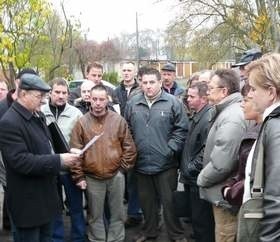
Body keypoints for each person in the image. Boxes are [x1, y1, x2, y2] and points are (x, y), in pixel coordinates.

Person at [0, 73, 79, 242]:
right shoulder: (9, 122)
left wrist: (66, 152)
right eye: (39, 96)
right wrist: (59, 160)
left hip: (45, 200)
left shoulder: (38, 115)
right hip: (27, 204)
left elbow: (46, 148)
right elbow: (22, 162)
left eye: (44, 96)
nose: (43, 100)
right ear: (23, 94)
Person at [125, 67, 189, 242]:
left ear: (160, 83)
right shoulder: (133, 103)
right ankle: (149, 232)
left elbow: (182, 129)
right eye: (144, 82)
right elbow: (127, 130)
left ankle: (176, 234)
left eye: (152, 82)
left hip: (166, 164)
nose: (148, 86)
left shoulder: (173, 103)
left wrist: (170, 149)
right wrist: (133, 151)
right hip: (141, 164)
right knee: (147, 204)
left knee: (170, 203)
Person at [70, 84, 137, 242]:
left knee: (118, 213)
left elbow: (129, 148)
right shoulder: (81, 123)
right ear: (90, 100)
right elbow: (75, 152)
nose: (98, 103)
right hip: (92, 177)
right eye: (95, 99)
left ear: (107, 100)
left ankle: (116, 239)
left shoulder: (118, 120)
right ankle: (97, 239)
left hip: (116, 175)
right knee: (95, 215)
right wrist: (79, 177)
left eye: (101, 99)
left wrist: (122, 169)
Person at [197, 69, 247, 242]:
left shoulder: (231, 117)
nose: (207, 91)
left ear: (224, 91)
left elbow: (223, 163)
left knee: (225, 236)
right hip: (224, 192)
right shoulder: (226, 111)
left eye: (211, 87)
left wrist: (202, 179)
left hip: (225, 195)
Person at [41, 78, 85, 242]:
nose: (60, 96)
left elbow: (82, 139)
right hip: (50, 167)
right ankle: (56, 237)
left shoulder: (76, 113)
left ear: (68, 94)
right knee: (54, 207)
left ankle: (79, 237)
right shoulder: (40, 111)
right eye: (57, 92)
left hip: (70, 168)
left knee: (76, 207)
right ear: (50, 93)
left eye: (64, 93)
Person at [242, 53, 280, 241]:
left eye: (253, 88)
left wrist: (268, 239)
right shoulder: (271, 122)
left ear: (271, 92)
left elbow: (277, 198)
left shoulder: (276, 126)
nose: (249, 94)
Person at [0, 68, 38, 240]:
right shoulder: (2, 108)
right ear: (17, 83)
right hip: (8, 166)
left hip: (33, 168)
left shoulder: (36, 108)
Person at [180, 81, 215, 242]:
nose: (188, 99)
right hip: (192, 177)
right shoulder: (197, 115)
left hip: (197, 178)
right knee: (196, 219)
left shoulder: (207, 118)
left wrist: (190, 168)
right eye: (188, 96)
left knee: (202, 221)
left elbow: (206, 149)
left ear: (203, 99)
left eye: (192, 97)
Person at [221, 84, 262, 208]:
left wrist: (230, 192)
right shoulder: (255, 127)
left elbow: (255, 178)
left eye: (246, 100)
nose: (242, 104)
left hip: (253, 205)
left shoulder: (265, 132)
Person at [113, 61, 142, 227]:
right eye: (124, 70)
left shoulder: (141, 90)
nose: (126, 73)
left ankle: (141, 213)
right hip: (119, 139)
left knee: (138, 180)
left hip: (136, 138)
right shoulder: (115, 92)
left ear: (134, 73)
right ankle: (132, 213)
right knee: (126, 180)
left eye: (129, 70)